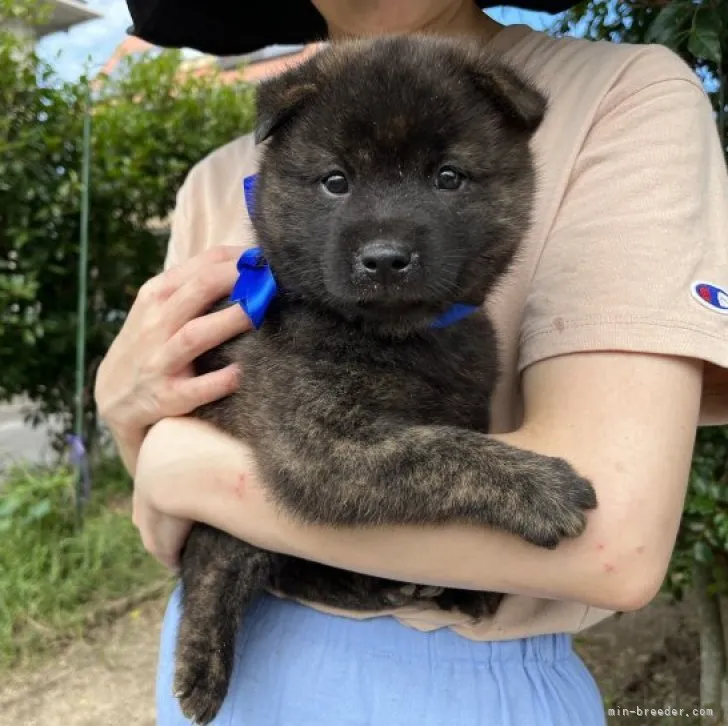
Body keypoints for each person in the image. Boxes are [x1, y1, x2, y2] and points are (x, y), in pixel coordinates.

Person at [95, 1, 728, 724]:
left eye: (448, 178)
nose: (386, 239)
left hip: (454, 687)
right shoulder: (215, 179)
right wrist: (121, 412)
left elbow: (612, 541)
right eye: (336, 183)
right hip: (229, 653)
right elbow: (161, 525)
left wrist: (184, 463)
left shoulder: (622, 98)